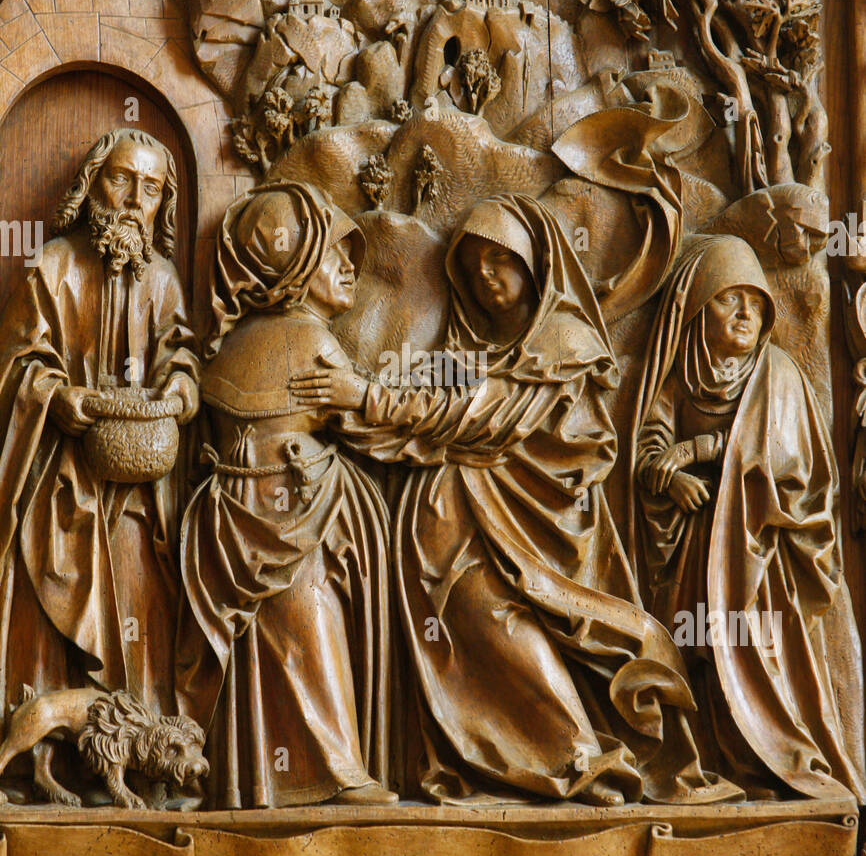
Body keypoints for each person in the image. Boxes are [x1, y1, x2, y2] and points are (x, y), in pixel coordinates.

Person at [292, 194, 740, 806]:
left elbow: (487, 415)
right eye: (473, 263)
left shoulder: (563, 341)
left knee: (518, 629)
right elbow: (420, 415)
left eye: (499, 259)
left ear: (533, 262)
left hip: (547, 532)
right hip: (457, 536)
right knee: (478, 632)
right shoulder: (462, 354)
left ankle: (585, 760)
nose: (485, 275)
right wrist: (340, 410)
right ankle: (529, 763)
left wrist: (364, 397)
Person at [176, 181, 396, 808]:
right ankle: (336, 771)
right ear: (298, 268)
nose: (350, 268)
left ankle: (257, 781)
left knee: (265, 654)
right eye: (335, 256)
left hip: (229, 523)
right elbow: (369, 426)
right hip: (289, 519)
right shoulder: (311, 340)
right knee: (313, 633)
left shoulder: (231, 345)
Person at [0, 129, 199, 802]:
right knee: (44, 589)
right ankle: (34, 770)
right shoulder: (52, 266)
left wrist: (178, 390)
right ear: (91, 188)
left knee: (140, 596)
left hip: (136, 489)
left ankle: (137, 760)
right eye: (120, 182)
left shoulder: (164, 280)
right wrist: (58, 397)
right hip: (58, 477)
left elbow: (181, 356)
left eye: (151, 190)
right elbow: (17, 363)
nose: (133, 202)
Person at [631, 234, 866, 802]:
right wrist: (670, 475)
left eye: (755, 304)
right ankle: (715, 761)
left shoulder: (778, 374)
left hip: (761, 559)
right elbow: (646, 455)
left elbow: (790, 457)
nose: (744, 313)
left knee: (758, 655)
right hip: (694, 550)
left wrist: (702, 451)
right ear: (696, 309)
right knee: (700, 658)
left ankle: (774, 761)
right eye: (729, 299)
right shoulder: (677, 380)